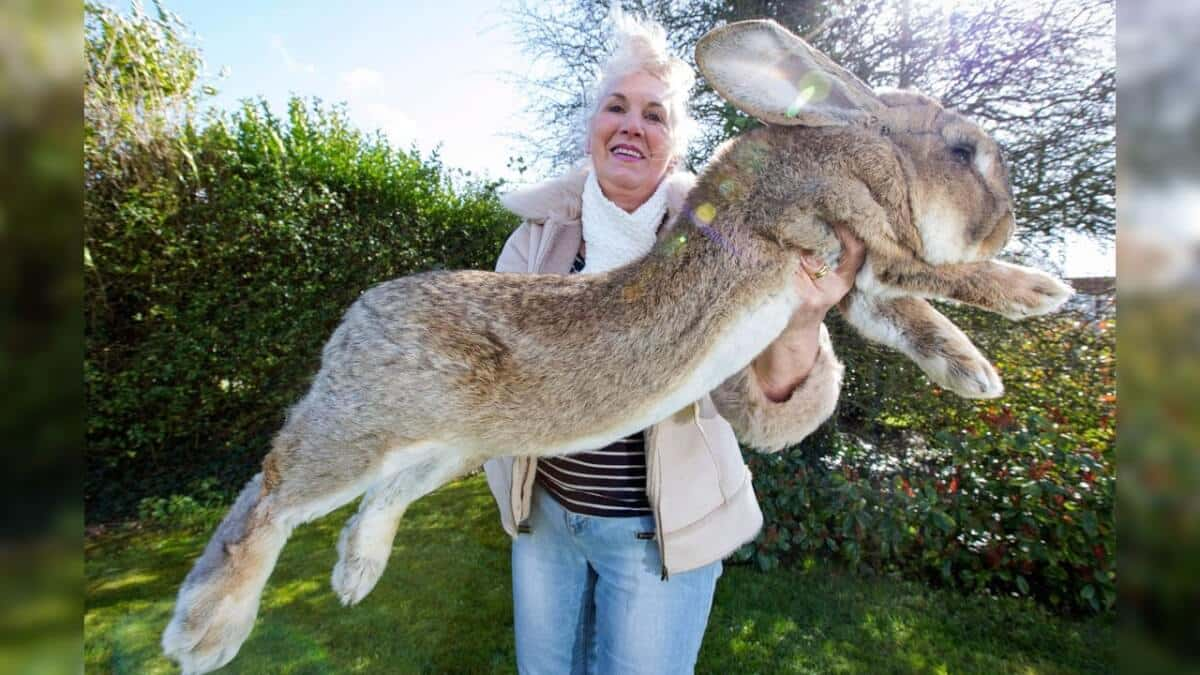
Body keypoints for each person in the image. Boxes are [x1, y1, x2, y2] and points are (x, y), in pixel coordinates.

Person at [483, 13, 865, 675]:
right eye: (616, 107)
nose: (632, 124)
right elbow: (490, 371)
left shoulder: (726, 244)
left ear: (673, 147)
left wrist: (802, 321)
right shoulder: (535, 242)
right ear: (592, 128)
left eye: (654, 115)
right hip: (546, 526)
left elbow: (772, 404)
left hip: (658, 539)